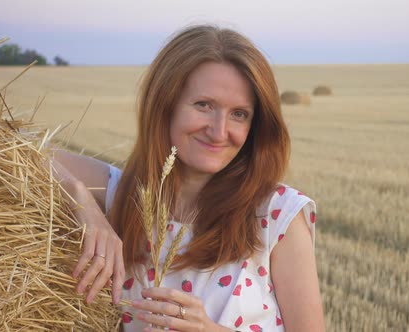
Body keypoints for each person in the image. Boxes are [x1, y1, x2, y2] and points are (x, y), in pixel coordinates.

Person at [51, 24, 324, 332]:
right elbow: (14, 149)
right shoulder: (122, 194)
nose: (219, 131)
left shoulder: (276, 216)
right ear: (165, 107)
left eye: (239, 114)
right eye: (204, 105)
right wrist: (82, 200)